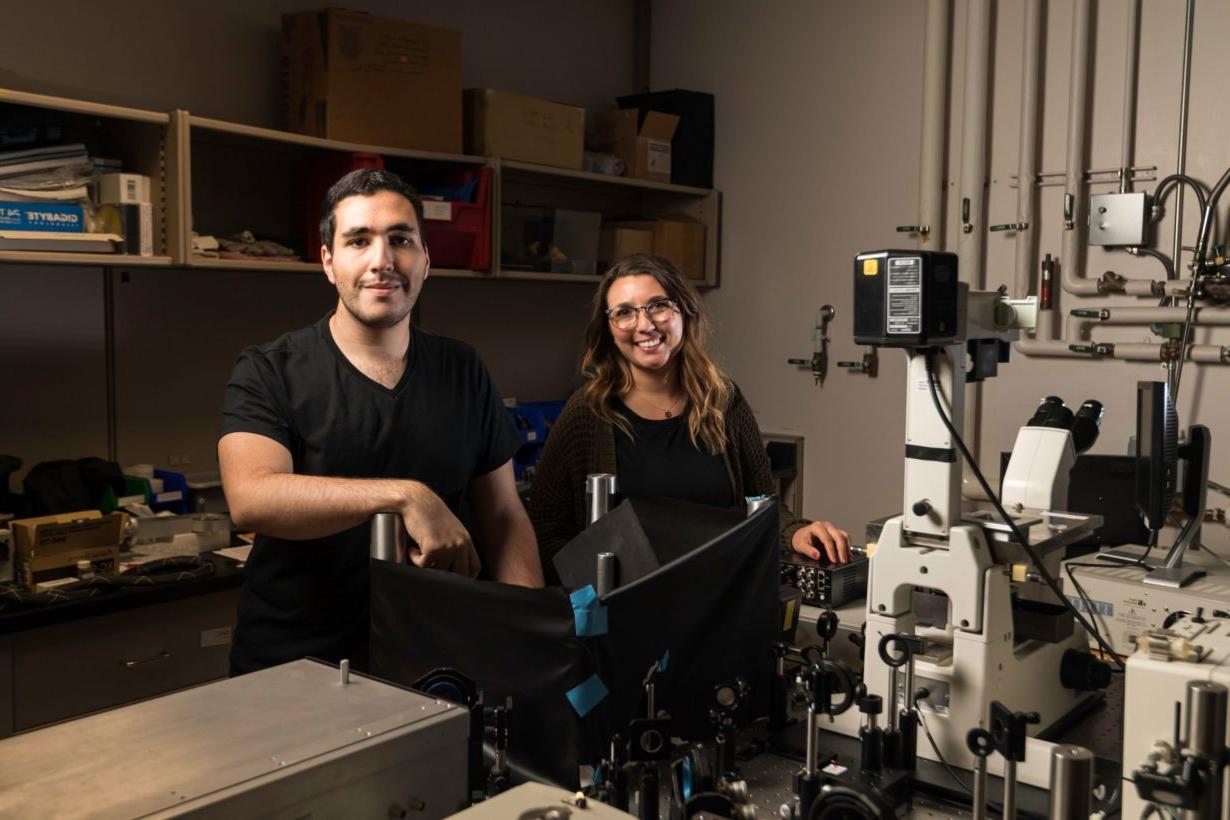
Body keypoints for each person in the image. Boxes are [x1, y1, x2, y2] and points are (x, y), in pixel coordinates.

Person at [218, 168, 542, 675]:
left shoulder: (462, 369)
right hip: (296, 668)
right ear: (329, 262)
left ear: (426, 260)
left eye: (400, 240)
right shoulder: (269, 369)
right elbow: (251, 498)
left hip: (437, 660)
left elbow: (503, 515)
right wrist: (407, 496)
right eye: (358, 241)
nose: (382, 261)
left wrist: (524, 634)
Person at [529, 253, 850, 579]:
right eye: (624, 313)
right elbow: (546, 521)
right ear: (609, 330)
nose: (645, 325)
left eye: (658, 305)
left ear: (684, 311)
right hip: (626, 613)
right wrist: (587, 592)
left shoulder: (723, 400)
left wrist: (794, 532)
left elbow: (761, 501)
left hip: (718, 599)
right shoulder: (587, 413)